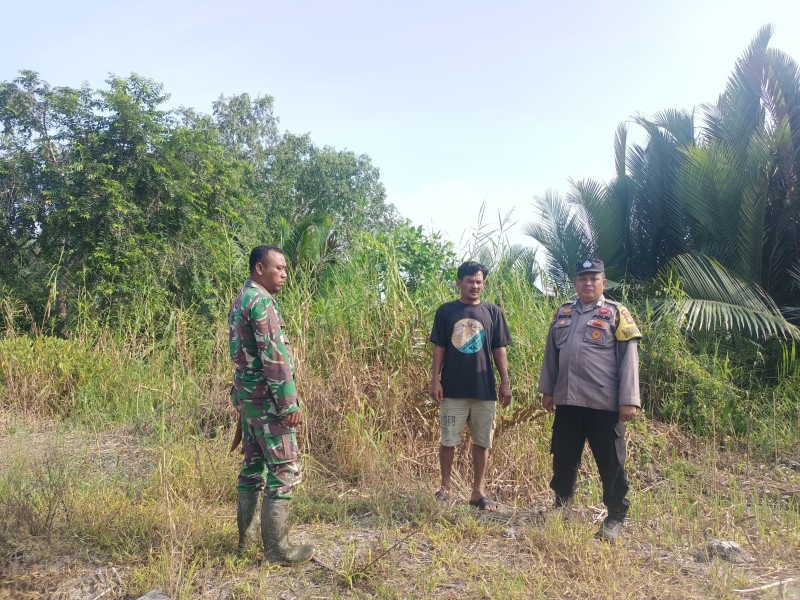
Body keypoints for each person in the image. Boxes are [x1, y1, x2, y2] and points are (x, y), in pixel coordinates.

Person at [538, 258, 642, 540]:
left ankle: (615, 515)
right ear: (575, 283)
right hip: (567, 401)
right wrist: (548, 390)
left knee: (611, 462)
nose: (588, 283)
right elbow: (551, 354)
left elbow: (629, 359)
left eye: (593, 278)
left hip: (603, 404)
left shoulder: (617, 313)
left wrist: (629, 399)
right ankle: (562, 506)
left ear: (603, 282)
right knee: (563, 457)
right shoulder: (564, 312)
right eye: (582, 278)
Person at [229, 245, 315, 565]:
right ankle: (277, 550)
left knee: (253, 467)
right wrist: (289, 404)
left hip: (248, 397)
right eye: (279, 268)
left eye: (285, 269)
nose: (284, 274)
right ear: (259, 268)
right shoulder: (261, 302)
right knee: (284, 468)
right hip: (266, 401)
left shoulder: (242, 299)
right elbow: (274, 357)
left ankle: (246, 542)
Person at [429, 261, 512, 512]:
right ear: (459, 283)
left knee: (482, 442)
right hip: (452, 388)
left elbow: (499, 349)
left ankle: (478, 492)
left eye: (479, 281)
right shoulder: (446, 311)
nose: (474, 286)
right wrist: (435, 379)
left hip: (483, 389)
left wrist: (505, 382)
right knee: (448, 440)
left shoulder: (493, 312)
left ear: (483, 284)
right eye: (469, 281)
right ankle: (445, 488)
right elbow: (439, 347)